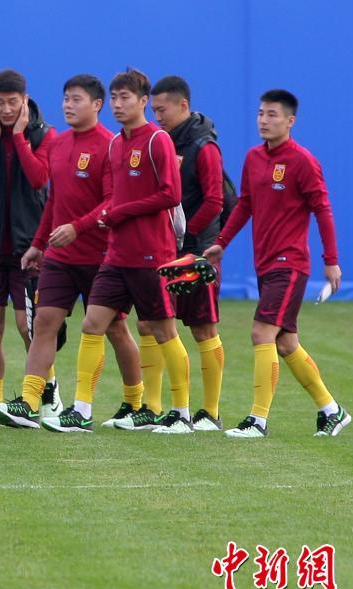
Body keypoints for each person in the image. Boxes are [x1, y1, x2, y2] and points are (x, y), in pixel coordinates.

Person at [0, 75, 143, 432]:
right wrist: (38, 244)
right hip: (60, 257)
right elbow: (53, 200)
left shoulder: (110, 145)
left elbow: (113, 201)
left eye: (76, 99)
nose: (68, 106)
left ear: (97, 105)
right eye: (65, 99)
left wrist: (78, 227)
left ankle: (136, 403)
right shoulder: (58, 143)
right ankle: (29, 402)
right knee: (43, 323)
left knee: (115, 329)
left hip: (102, 256)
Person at [204, 89, 350, 438]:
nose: (264, 120)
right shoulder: (254, 158)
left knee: (261, 332)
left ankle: (257, 420)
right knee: (285, 343)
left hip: (290, 263)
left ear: (290, 121)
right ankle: (332, 411)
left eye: (272, 115)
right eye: (260, 113)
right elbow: (245, 205)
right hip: (265, 264)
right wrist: (221, 242)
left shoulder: (302, 161)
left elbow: (322, 210)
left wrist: (331, 261)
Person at [0, 69, 59, 426]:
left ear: (25, 100)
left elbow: (38, 178)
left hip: (28, 249)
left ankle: (46, 395)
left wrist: (18, 137)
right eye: (0, 102)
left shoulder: (44, 134)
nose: (6, 110)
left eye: (13, 102)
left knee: (27, 326)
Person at [142, 75, 226, 431]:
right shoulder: (158, 142)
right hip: (164, 249)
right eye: (154, 110)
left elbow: (215, 201)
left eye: (162, 109)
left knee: (203, 328)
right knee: (149, 324)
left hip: (195, 252)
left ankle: (210, 412)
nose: (157, 116)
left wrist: (185, 234)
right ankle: (152, 407)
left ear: (183, 106)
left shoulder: (204, 147)